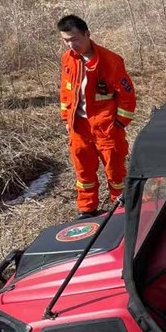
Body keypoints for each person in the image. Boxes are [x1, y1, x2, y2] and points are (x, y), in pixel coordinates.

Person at [57, 14, 136, 219]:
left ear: (87, 34)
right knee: (83, 172)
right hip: (79, 127)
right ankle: (87, 209)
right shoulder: (68, 59)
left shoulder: (110, 61)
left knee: (115, 171)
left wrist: (119, 123)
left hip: (106, 127)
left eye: (75, 39)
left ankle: (121, 209)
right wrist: (67, 119)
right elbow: (66, 91)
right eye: (66, 40)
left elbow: (127, 96)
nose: (71, 45)